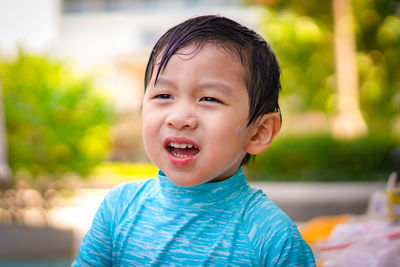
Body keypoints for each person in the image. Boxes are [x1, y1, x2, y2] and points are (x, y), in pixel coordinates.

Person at [72, 15, 316, 266]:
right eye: (164, 94)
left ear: (258, 132)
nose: (179, 118)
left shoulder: (272, 238)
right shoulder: (119, 209)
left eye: (209, 99)